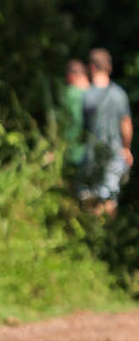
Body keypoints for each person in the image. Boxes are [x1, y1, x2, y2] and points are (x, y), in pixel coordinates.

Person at [79, 47, 133, 215]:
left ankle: (91, 228)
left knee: (89, 199)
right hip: (114, 152)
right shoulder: (119, 94)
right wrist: (126, 148)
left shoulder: (85, 94)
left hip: (90, 154)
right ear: (109, 67)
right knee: (110, 198)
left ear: (92, 67)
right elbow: (126, 125)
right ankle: (108, 228)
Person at [61, 57, 89, 170]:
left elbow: (73, 122)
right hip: (95, 151)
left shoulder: (71, 93)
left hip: (75, 152)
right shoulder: (96, 92)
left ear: (71, 76)